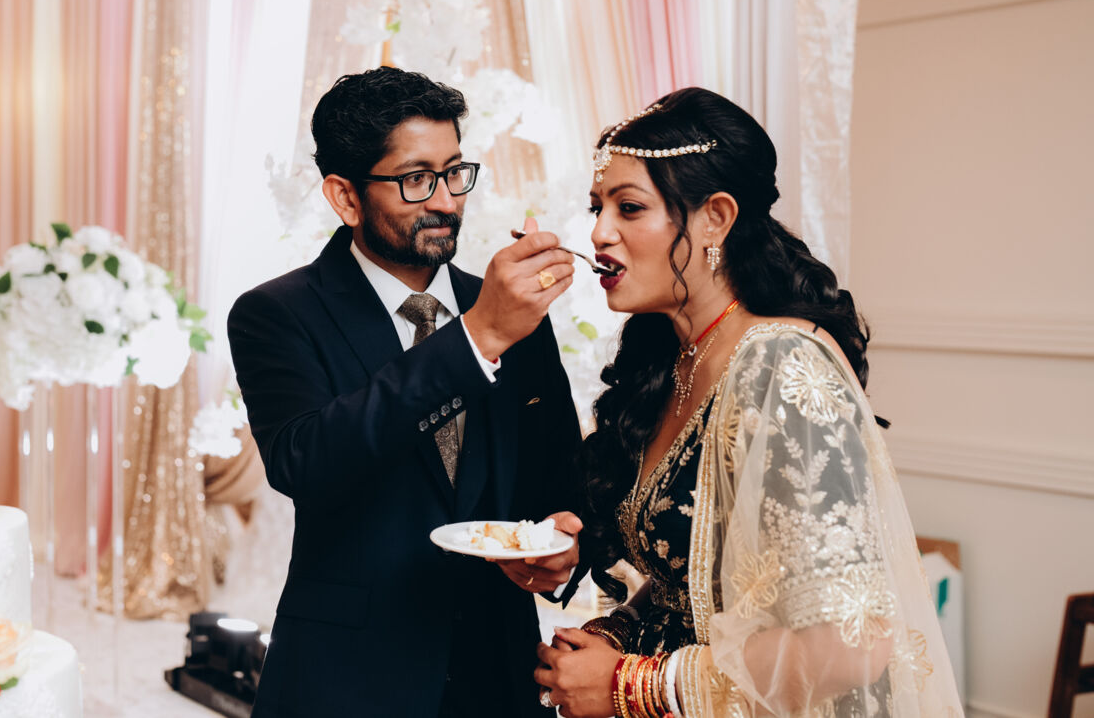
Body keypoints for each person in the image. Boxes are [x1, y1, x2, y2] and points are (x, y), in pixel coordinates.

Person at [533, 87, 963, 717]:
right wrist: (617, 633)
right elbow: (698, 584)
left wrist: (631, 683)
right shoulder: (671, 359)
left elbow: (852, 646)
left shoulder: (780, 364)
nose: (599, 232)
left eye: (629, 208)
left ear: (716, 217)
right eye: (598, 208)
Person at [228, 66, 585, 717]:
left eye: (454, 172)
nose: (446, 201)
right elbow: (304, 461)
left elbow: (558, 475)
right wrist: (475, 338)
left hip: (498, 674)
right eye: (417, 179)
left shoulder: (510, 311)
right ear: (345, 197)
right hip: (346, 680)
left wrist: (563, 542)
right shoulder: (276, 313)